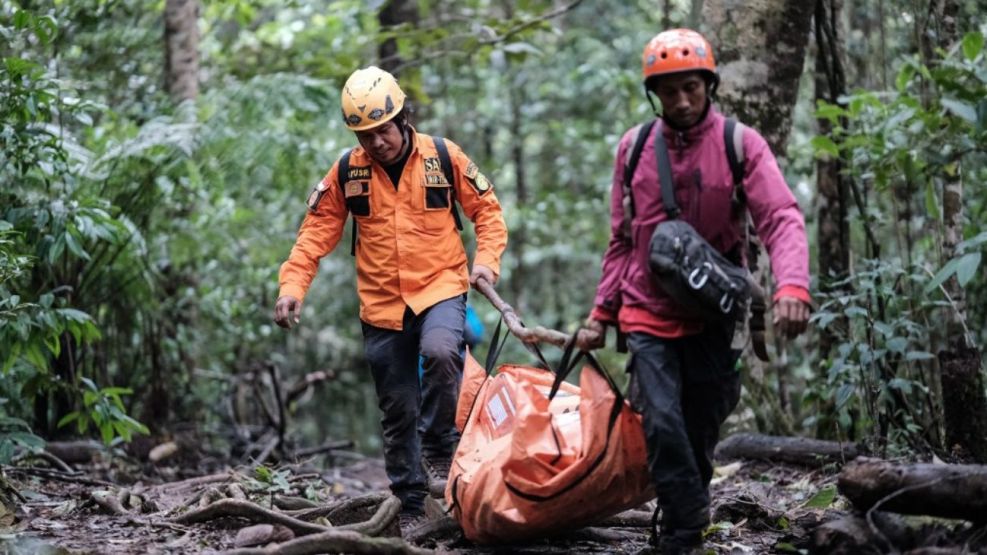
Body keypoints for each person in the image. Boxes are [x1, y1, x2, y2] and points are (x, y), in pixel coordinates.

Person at [575, 29, 810, 554]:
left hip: (714, 313)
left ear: (710, 86)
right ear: (653, 95)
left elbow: (781, 216)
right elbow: (621, 240)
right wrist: (601, 312)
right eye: (669, 91)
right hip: (645, 311)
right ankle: (682, 536)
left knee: (705, 421)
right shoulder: (633, 150)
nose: (681, 101)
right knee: (660, 421)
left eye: (691, 89)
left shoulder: (739, 144)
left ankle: (684, 509)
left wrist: (792, 283)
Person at [274, 66, 508, 535]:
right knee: (397, 405)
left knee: (442, 353)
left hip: (441, 286)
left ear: (402, 118)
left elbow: (488, 212)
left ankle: (441, 447)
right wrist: (292, 288)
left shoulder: (444, 156)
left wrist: (486, 262)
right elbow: (315, 233)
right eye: (365, 134)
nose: (377, 142)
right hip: (381, 305)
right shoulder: (347, 171)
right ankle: (409, 502)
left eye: (383, 129)